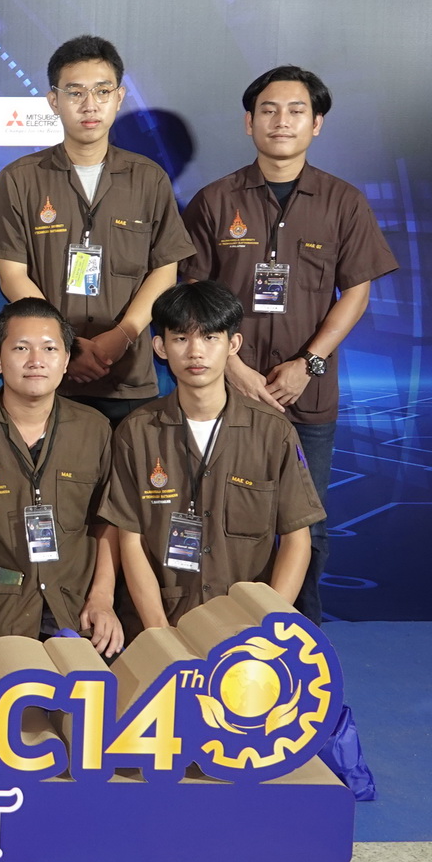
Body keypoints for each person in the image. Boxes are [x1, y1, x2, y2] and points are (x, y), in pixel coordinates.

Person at [179, 65, 398, 622]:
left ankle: (299, 635)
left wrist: (309, 363)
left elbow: (356, 291)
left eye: (296, 111)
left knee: (307, 524)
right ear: (249, 122)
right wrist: (233, 369)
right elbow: (191, 294)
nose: (282, 121)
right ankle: (215, 628)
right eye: (269, 110)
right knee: (219, 515)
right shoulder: (214, 200)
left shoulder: (343, 202)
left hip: (307, 397)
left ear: (316, 123)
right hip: (223, 395)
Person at [0, 35, 194, 424]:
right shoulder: (19, 179)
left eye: (102, 91)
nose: (89, 104)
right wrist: (65, 345)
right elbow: (11, 276)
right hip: (46, 380)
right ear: (53, 101)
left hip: (127, 376)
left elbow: (165, 270)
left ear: (119, 97)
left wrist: (122, 336)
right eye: (75, 92)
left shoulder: (149, 179)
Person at [101, 282, 324, 629]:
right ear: (160, 347)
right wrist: (159, 631)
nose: (195, 352)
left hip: (248, 621)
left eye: (209, 338)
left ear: (232, 345)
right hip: (163, 619)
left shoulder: (273, 432)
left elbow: (297, 538)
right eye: (180, 338)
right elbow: (130, 539)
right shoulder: (137, 432)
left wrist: (268, 626)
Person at [0, 298, 122, 658]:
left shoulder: (95, 429)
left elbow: (109, 520)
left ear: (65, 361)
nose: (36, 360)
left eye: (49, 348)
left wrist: (102, 598)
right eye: (21, 348)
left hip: (77, 614)